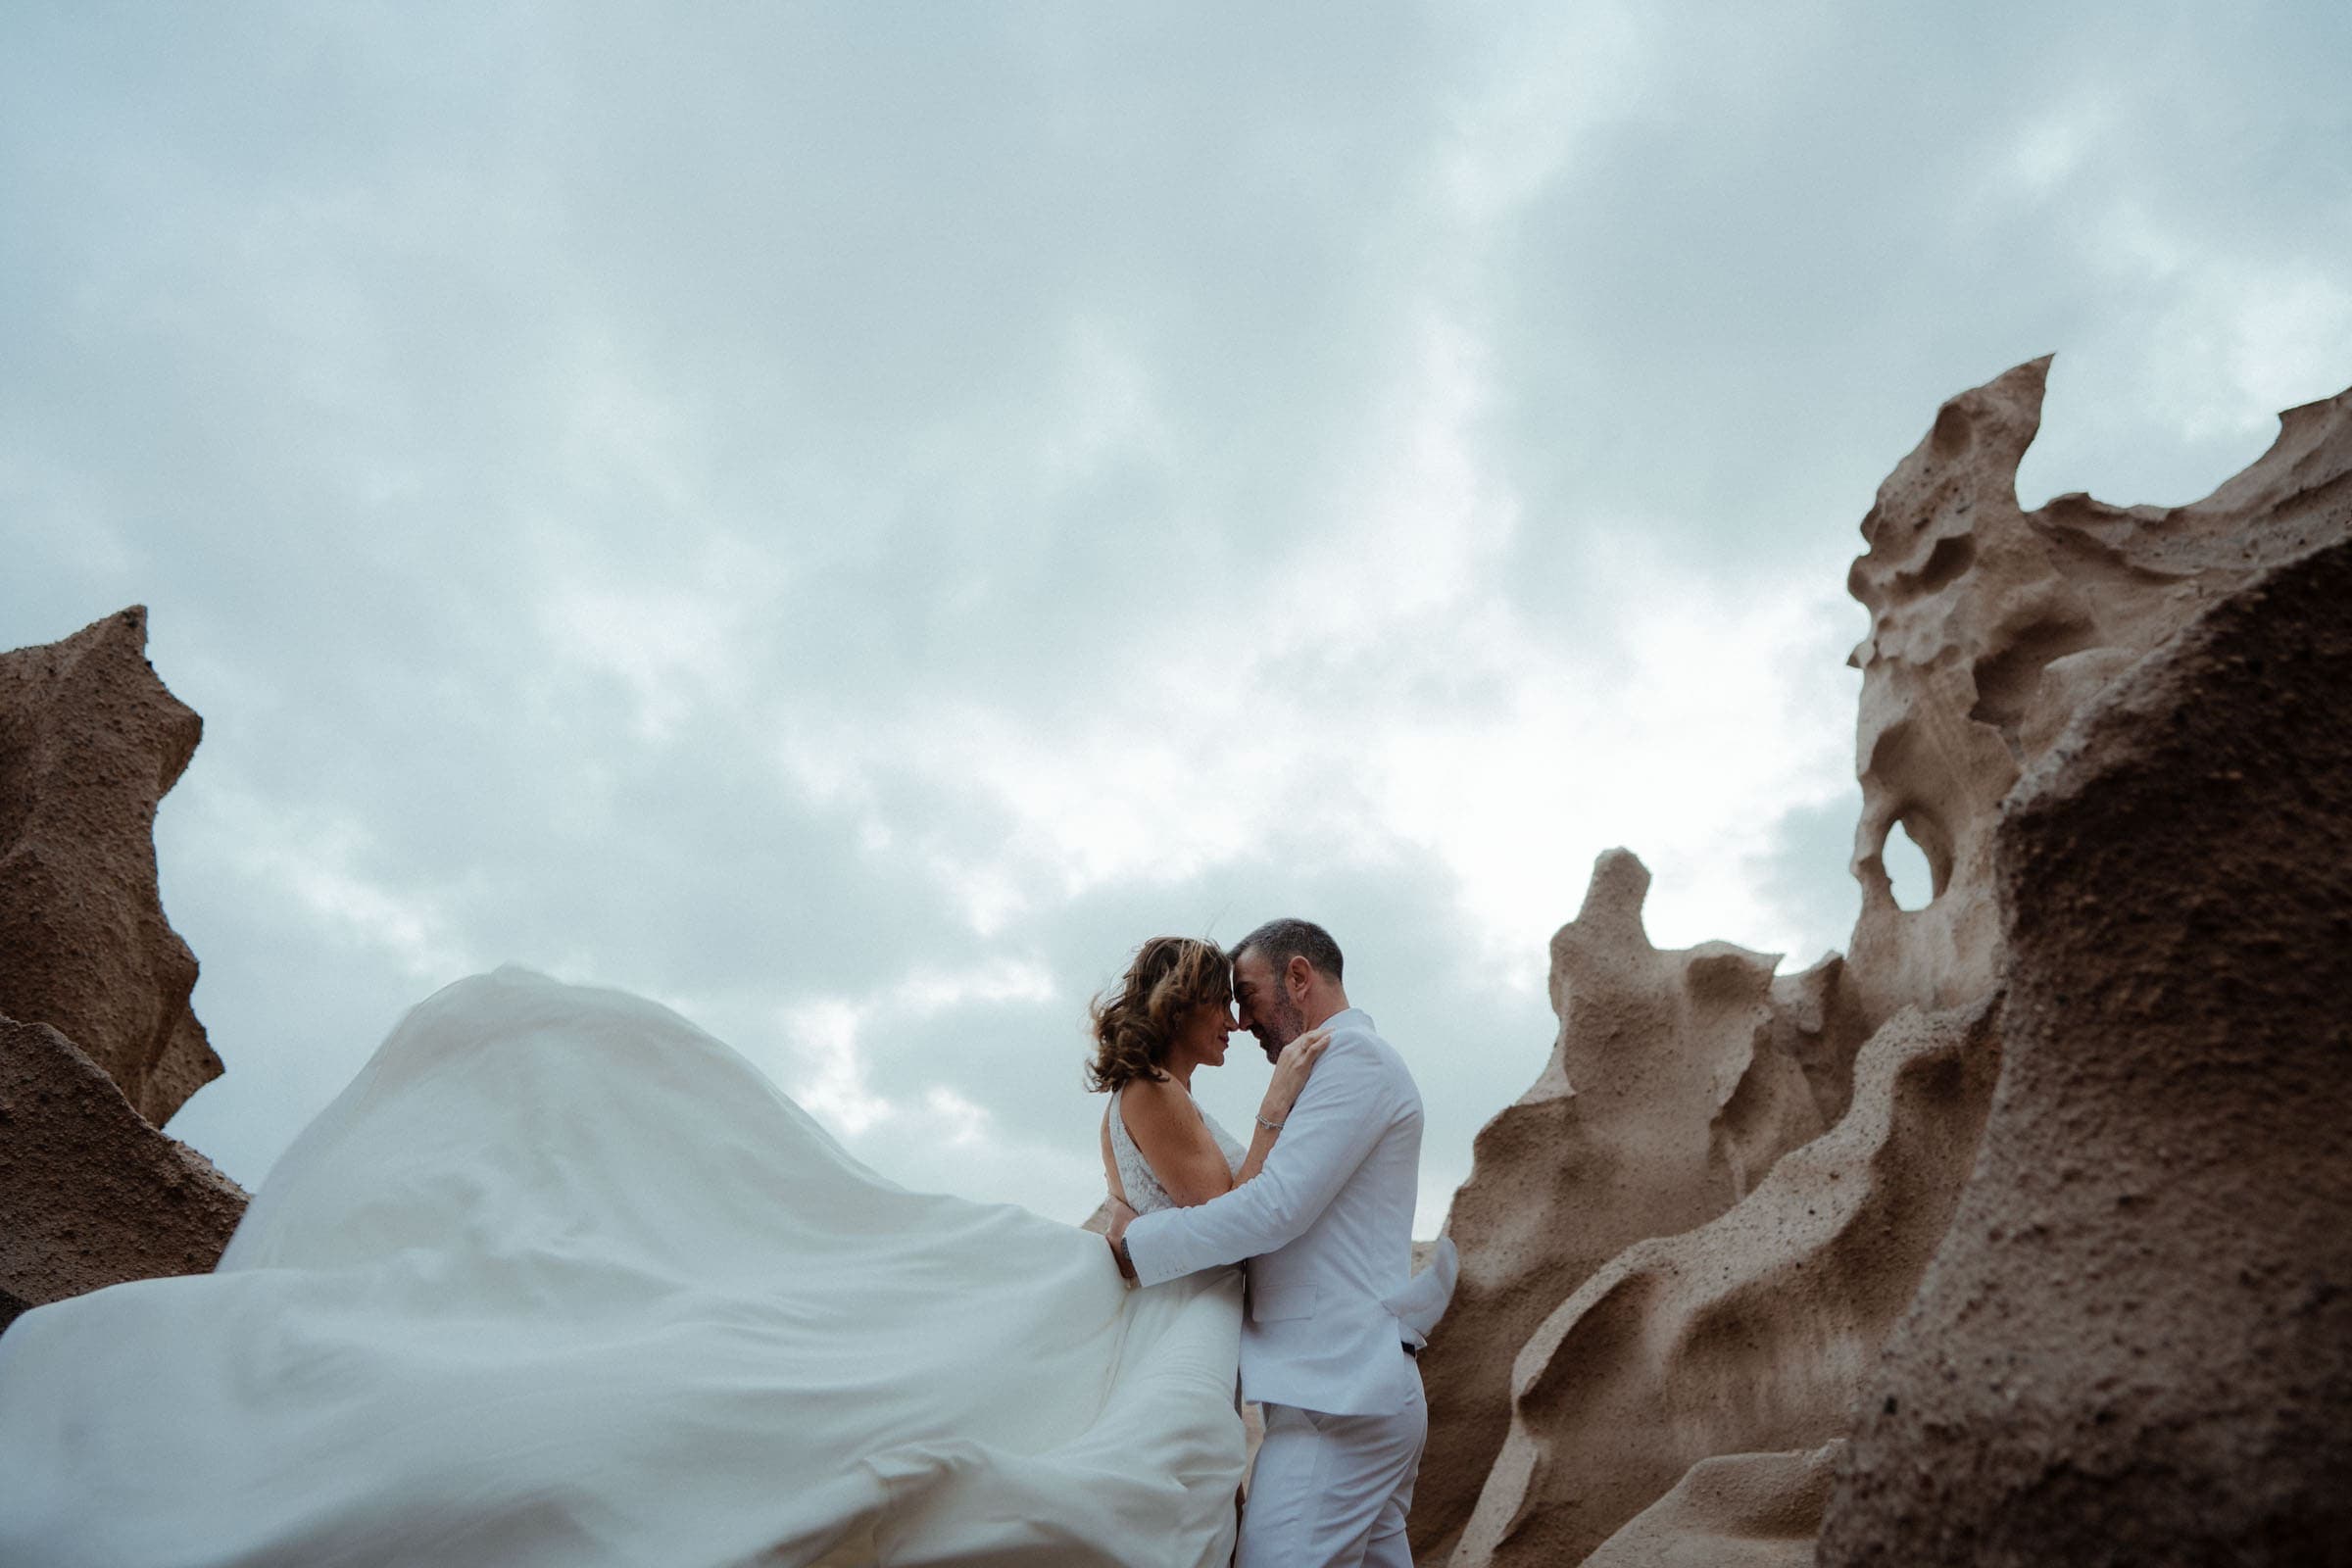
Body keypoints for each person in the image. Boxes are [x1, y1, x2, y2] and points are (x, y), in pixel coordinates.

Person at [0, 960, 1288, 1567]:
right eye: (1228, 1010)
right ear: (1183, 1013)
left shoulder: (1150, 1096)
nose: (1239, 1027)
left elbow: (1157, 1205)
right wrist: (1299, 1106)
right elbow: (1235, 1206)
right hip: (1159, 1300)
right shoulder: (1163, 1095)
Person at [1105, 918, 1456, 1568]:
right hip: (1343, 1391)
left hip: (1338, 1398)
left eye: (1248, 994)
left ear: (1298, 979)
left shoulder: (1355, 1060)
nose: (1242, 1020)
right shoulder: (1334, 1068)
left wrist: (1137, 1244)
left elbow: (1271, 1210)